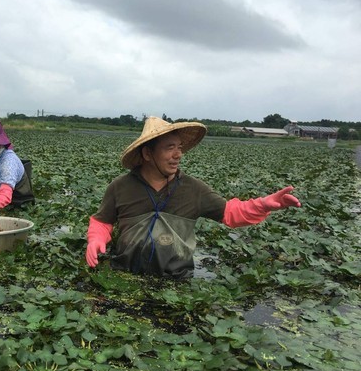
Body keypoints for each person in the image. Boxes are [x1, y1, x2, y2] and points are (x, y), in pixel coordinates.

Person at [85, 116, 301, 279]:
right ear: (147, 154)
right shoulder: (121, 187)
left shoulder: (193, 189)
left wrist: (264, 205)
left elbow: (231, 213)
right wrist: (95, 239)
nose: (178, 154)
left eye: (179, 148)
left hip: (175, 281)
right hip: (124, 274)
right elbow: (102, 221)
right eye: (170, 148)